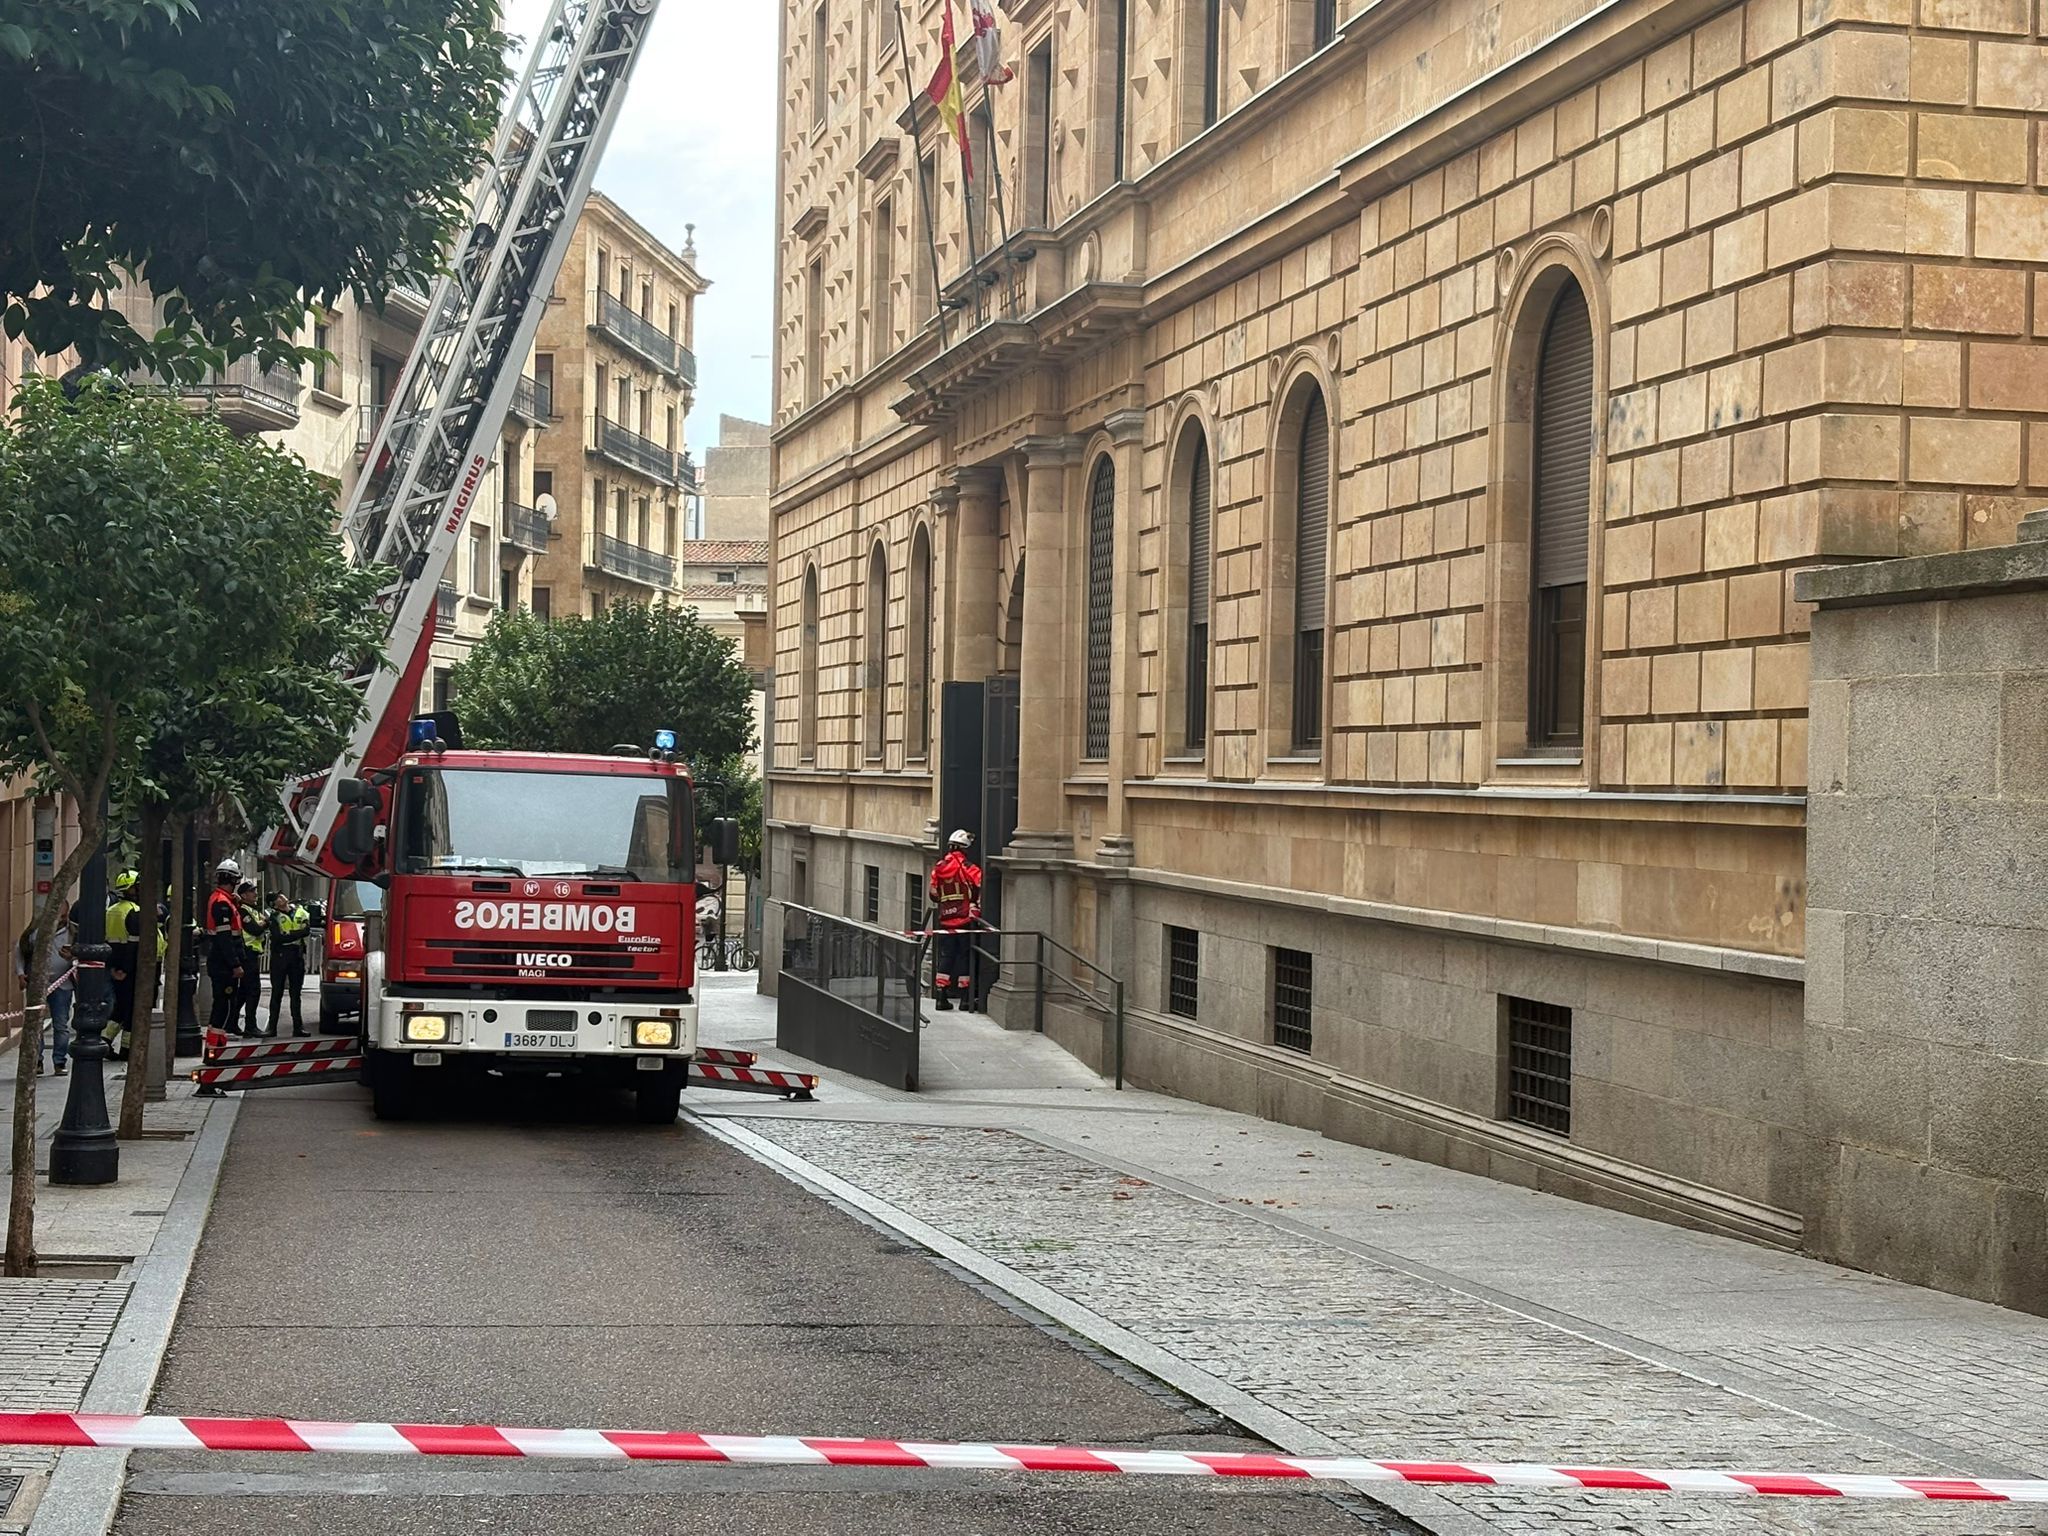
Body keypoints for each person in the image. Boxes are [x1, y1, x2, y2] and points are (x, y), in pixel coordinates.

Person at [14, 900, 74, 1075]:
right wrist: (20, 974)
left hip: (62, 985)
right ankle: (36, 1061)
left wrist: (72, 956)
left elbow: (80, 955)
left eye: (63, 915)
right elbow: (20, 950)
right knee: (35, 1023)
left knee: (61, 1024)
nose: (60, 918)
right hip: (37, 983)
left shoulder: (72, 931)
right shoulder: (35, 930)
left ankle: (59, 1062)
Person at [927, 829, 983, 1012]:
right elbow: (981, 884)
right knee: (965, 957)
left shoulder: (939, 867)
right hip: (965, 919)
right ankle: (965, 999)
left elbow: (933, 894)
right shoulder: (968, 867)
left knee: (946, 957)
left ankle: (941, 997)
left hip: (945, 920)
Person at [203, 859, 247, 1037]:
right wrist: (235, 964)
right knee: (224, 1002)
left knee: (222, 1001)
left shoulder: (222, 899)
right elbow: (225, 938)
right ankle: (217, 1040)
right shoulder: (222, 903)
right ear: (233, 880)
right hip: (223, 963)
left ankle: (216, 1037)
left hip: (221, 960)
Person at [105, 869, 140, 1060]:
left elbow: (108, 942)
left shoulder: (111, 911)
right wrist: (126, 969)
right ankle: (126, 1049)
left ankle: (105, 1039)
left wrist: (113, 968)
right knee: (131, 1010)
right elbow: (132, 946)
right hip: (131, 970)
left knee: (120, 1008)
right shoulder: (134, 912)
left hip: (115, 969)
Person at [266, 891, 312, 1037]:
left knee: (296, 993)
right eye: (277, 898)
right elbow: (279, 937)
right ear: (274, 904)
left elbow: (307, 930)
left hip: (296, 955)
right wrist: (297, 933)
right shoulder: (274, 917)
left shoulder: (300, 911)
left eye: (281, 895)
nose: (282, 897)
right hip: (280, 955)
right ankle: (271, 1027)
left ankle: (298, 1027)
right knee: (277, 992)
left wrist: (292, 934)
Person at [235, 881, 267, 1035]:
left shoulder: (251, 910)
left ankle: (232, 1021)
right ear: (243, 895)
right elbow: (254, 929)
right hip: (247, 954)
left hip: (252, 954)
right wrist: (264, 923)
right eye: (251, 891)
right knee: (253, 990)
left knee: (243, 991)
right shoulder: (243, 911)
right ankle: (250, 1026)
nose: (255, 894)